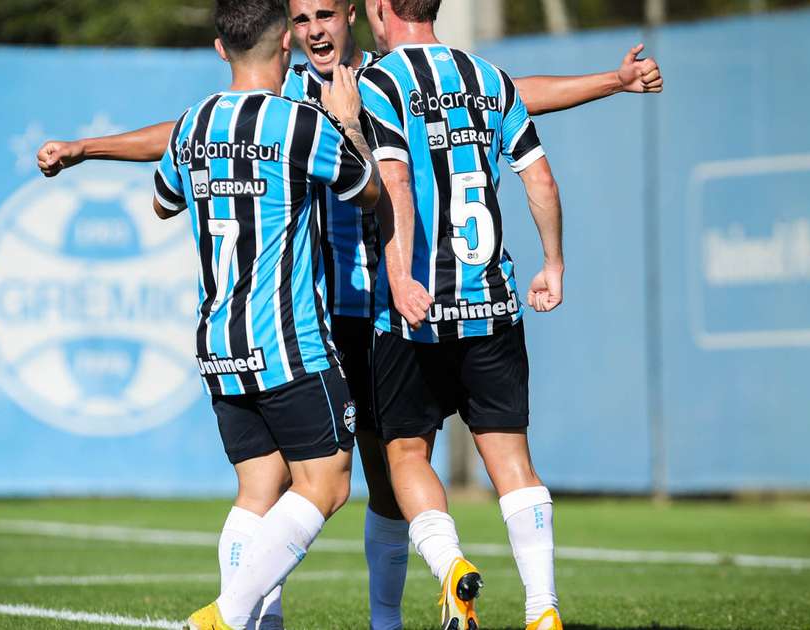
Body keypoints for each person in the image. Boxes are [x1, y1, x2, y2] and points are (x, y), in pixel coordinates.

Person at [36, 4, 661, 629]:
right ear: (287, 34)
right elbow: (186, 133)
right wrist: (91, 148)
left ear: (354, 14)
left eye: (326, 14)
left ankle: (380, 620)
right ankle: (259, 617)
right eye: (301, 18)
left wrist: (611, 81)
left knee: (384, 478)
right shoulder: (290, 95)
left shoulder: (385, 78)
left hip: (386, 312)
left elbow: (514, 95)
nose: (315, 29)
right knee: (292, 481)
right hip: (330, 316)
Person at [148, 1, 381, 628]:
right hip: (288, 343)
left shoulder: (192, 124)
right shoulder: (300, 124)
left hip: (219, 343)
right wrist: (349, 124)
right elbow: (370, 192)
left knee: (259, 490)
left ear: (221, 50)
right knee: (327, 484)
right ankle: (225, 614)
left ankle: (255, 624)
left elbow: (163, 203)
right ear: (285, 46)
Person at [356, 0, 582, 628]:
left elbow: (397, 184)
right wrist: (554, 263)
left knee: (406, 455)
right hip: (492, 304)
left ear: (381, 8)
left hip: (416, 312)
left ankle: (451, 565)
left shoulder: (379, 82)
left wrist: (400, 277)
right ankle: (543, 609)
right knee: (513, 462)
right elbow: (541, 180)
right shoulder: (490, 79)